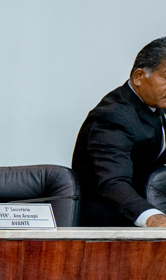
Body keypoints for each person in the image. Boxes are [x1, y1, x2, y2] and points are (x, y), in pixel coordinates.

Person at [71, 37, 166, 227]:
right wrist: (154, 219)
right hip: (110, 231)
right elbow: (113, 183)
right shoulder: (111, 117)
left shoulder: (157, 105)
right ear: (139, 77)